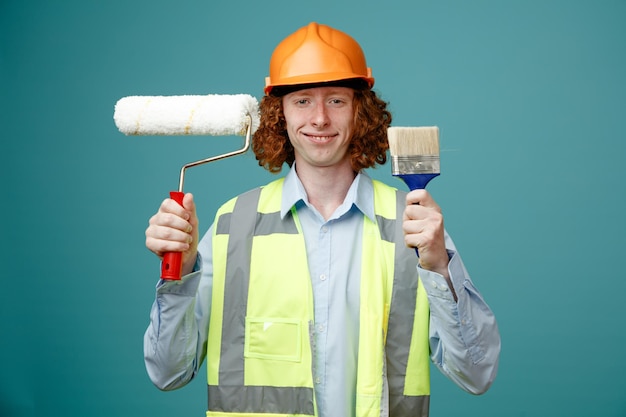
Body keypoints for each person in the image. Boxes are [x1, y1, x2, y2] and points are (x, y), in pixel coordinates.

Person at [143, 22, 500, 417]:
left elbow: (477, 373)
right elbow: (167, 373)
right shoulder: (232, 224)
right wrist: (183, 269)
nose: (319, 119)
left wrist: (438, 266)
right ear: (278, 113)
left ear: (359, 112)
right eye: (301, 101)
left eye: (335, 101)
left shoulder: (415, 226)